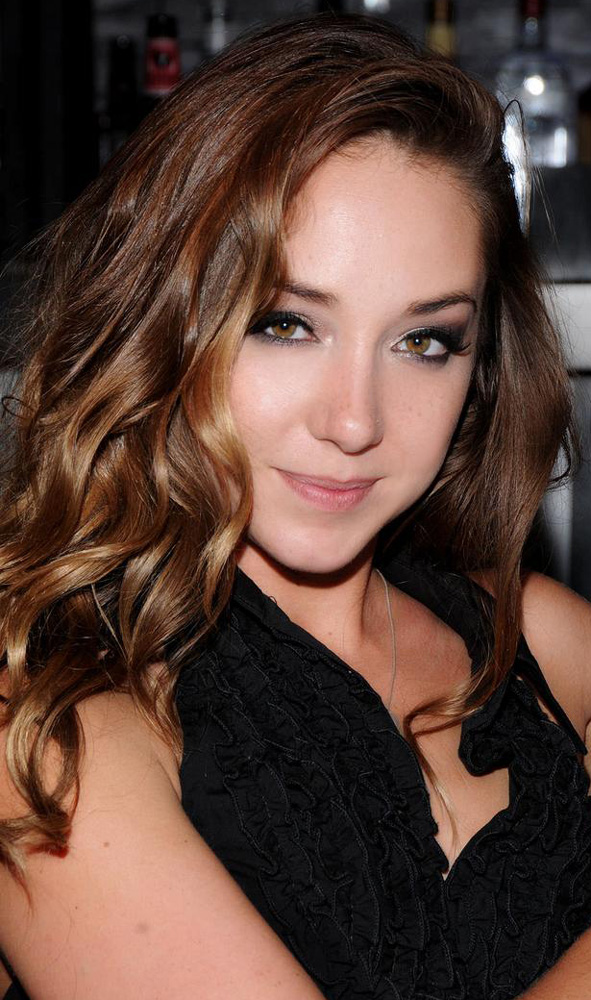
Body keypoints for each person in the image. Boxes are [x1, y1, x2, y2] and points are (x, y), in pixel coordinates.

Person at [0, 11, 590, 1000]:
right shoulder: (48, 721)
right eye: (286, 324)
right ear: (164, 319)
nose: (355, 420)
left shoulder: (535, 639)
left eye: (423, 341)